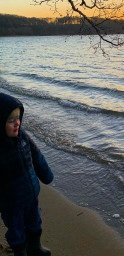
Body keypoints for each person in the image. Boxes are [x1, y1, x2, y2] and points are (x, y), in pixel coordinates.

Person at [0, 93, 54, 256]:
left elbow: (37, 156)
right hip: (11, 203)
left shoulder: (23, 136)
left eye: (18, 118)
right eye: (10, 120)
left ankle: (35, 247)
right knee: (16, 231)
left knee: (35, 223)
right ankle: (20, 252)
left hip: (31, 194)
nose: (17, 123)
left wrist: (46, 175)